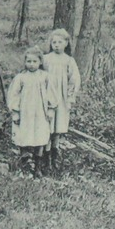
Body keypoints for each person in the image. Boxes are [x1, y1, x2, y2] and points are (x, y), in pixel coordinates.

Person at [7, 50, 58, 175]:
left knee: (40, 136)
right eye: (28, 61)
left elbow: (52, 93)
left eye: (35, 61)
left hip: (40, 112)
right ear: (24, 62)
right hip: (25, 113)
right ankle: (24, 162)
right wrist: (16, 112)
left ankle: (38, 166)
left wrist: (51, 109)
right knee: (23, 134)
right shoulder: (21, 78)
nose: (31, 64)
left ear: (40, 62)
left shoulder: (45, 77)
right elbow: (14, 95)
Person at [41, 27, 82, 173]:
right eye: (54, 42)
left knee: (57, 128)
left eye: (60, 42)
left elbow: (74, 79)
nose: (56, 45)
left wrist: (71, 97)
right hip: (47, 97)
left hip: (62, 97)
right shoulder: (46, 59)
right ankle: (44, 159)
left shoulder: (68, 61)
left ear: (66, 43)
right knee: (47, 127)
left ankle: (55, 156)